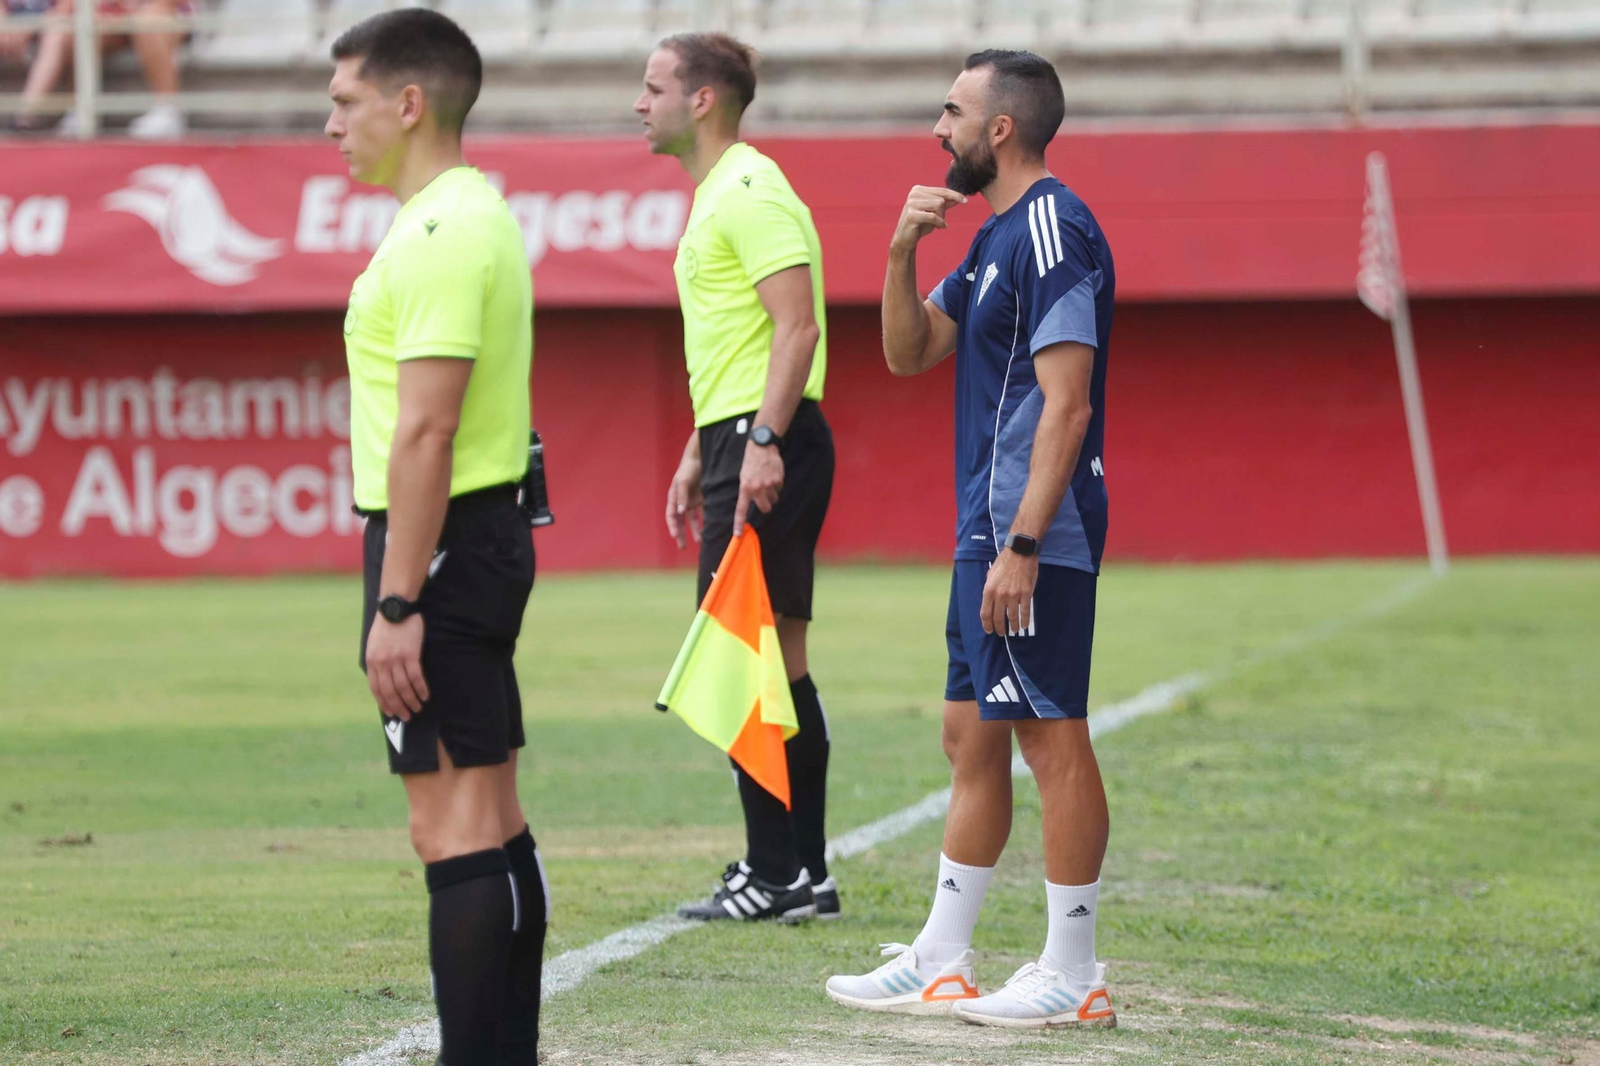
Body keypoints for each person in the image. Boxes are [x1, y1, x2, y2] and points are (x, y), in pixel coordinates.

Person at [825, 49, 1119, 1028]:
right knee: (970, 734)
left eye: (949, 112)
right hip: (983, 532)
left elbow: (1067, 406)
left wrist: (1024, 544)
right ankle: (940, 959)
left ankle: (1072, 971)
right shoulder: (991, 238)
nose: (935, 129)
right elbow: (909, 352)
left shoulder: (1052, 229)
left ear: (999, 129)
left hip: (1035, 535)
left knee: (1049, 733)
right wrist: (901, 249)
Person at [326, 10, 545, 1064]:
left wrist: (398, 601)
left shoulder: (442, 230)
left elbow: (427, 427)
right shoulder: (462, 214)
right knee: (492, 814)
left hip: (442, 546)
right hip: (474, 535)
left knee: (449, 829)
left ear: (407, 103)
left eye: (343, 100)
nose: (332, 125)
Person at [634, 32, 839, 923]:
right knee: (777, 659)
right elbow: (742, 342)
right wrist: (700, 445)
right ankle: (805, 873)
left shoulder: (749, 188)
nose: (640, 103)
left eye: (652, 88)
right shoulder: (725, 190)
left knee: (737, 657)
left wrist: (757, 441)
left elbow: (795, 330)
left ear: (703, 99)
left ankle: (773, 869)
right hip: (743, 437)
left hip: (768, 443)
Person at [12, 0, 189, 138]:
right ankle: (81, 111)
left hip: (160, 12)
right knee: (80, 25)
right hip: (114, 16)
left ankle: (168, 110)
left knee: (149, 20)